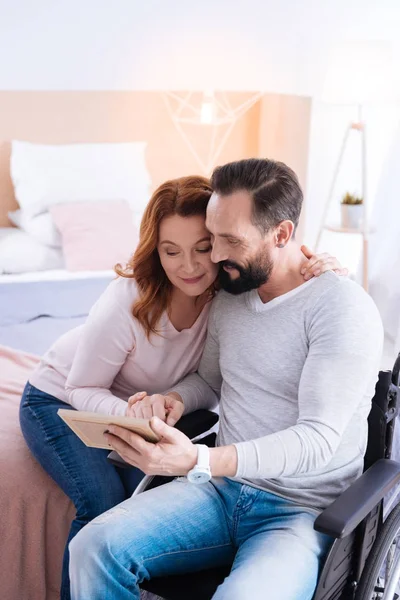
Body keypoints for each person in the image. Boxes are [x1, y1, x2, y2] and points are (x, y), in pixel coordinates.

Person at [68, 158, 384, 600]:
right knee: (92, 547)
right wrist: (177, 397)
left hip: (298, 512)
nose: (214, 257)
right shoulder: (232, 298)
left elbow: (317, 439)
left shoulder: (340, 309)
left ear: (282, 234)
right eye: (212, 237)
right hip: (219, 494)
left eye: (229, 241)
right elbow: (211, 380)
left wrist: (200, 461)